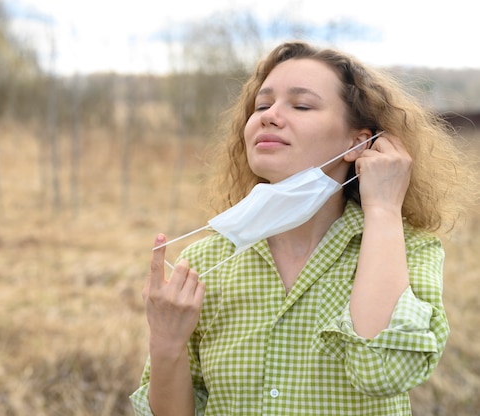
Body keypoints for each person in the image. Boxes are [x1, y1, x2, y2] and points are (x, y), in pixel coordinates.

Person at [130, 41, 477, 415]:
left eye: (301, 105)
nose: (269, 116)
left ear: (358, 143)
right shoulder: (204, 261)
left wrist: (384, 207)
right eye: (262, 105)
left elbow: (383, 372)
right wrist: (166, 343)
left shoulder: (410, 251)